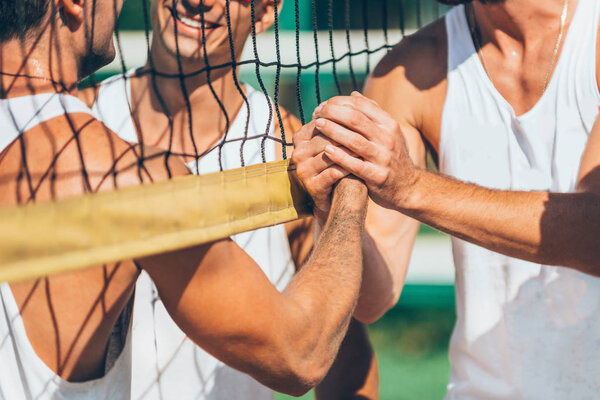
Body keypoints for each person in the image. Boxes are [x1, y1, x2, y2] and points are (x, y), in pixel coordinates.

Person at [0, 0, 370, 398]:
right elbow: (301, 353)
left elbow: (348, 360)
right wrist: (350, 193)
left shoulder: (286, 143)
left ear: (265, 13)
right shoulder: (130, 174)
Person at [293, 0, 600, 397]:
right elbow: (371, 298)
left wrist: (412, 187)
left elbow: (593, 236)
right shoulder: (408, 70)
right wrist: (332, 203)